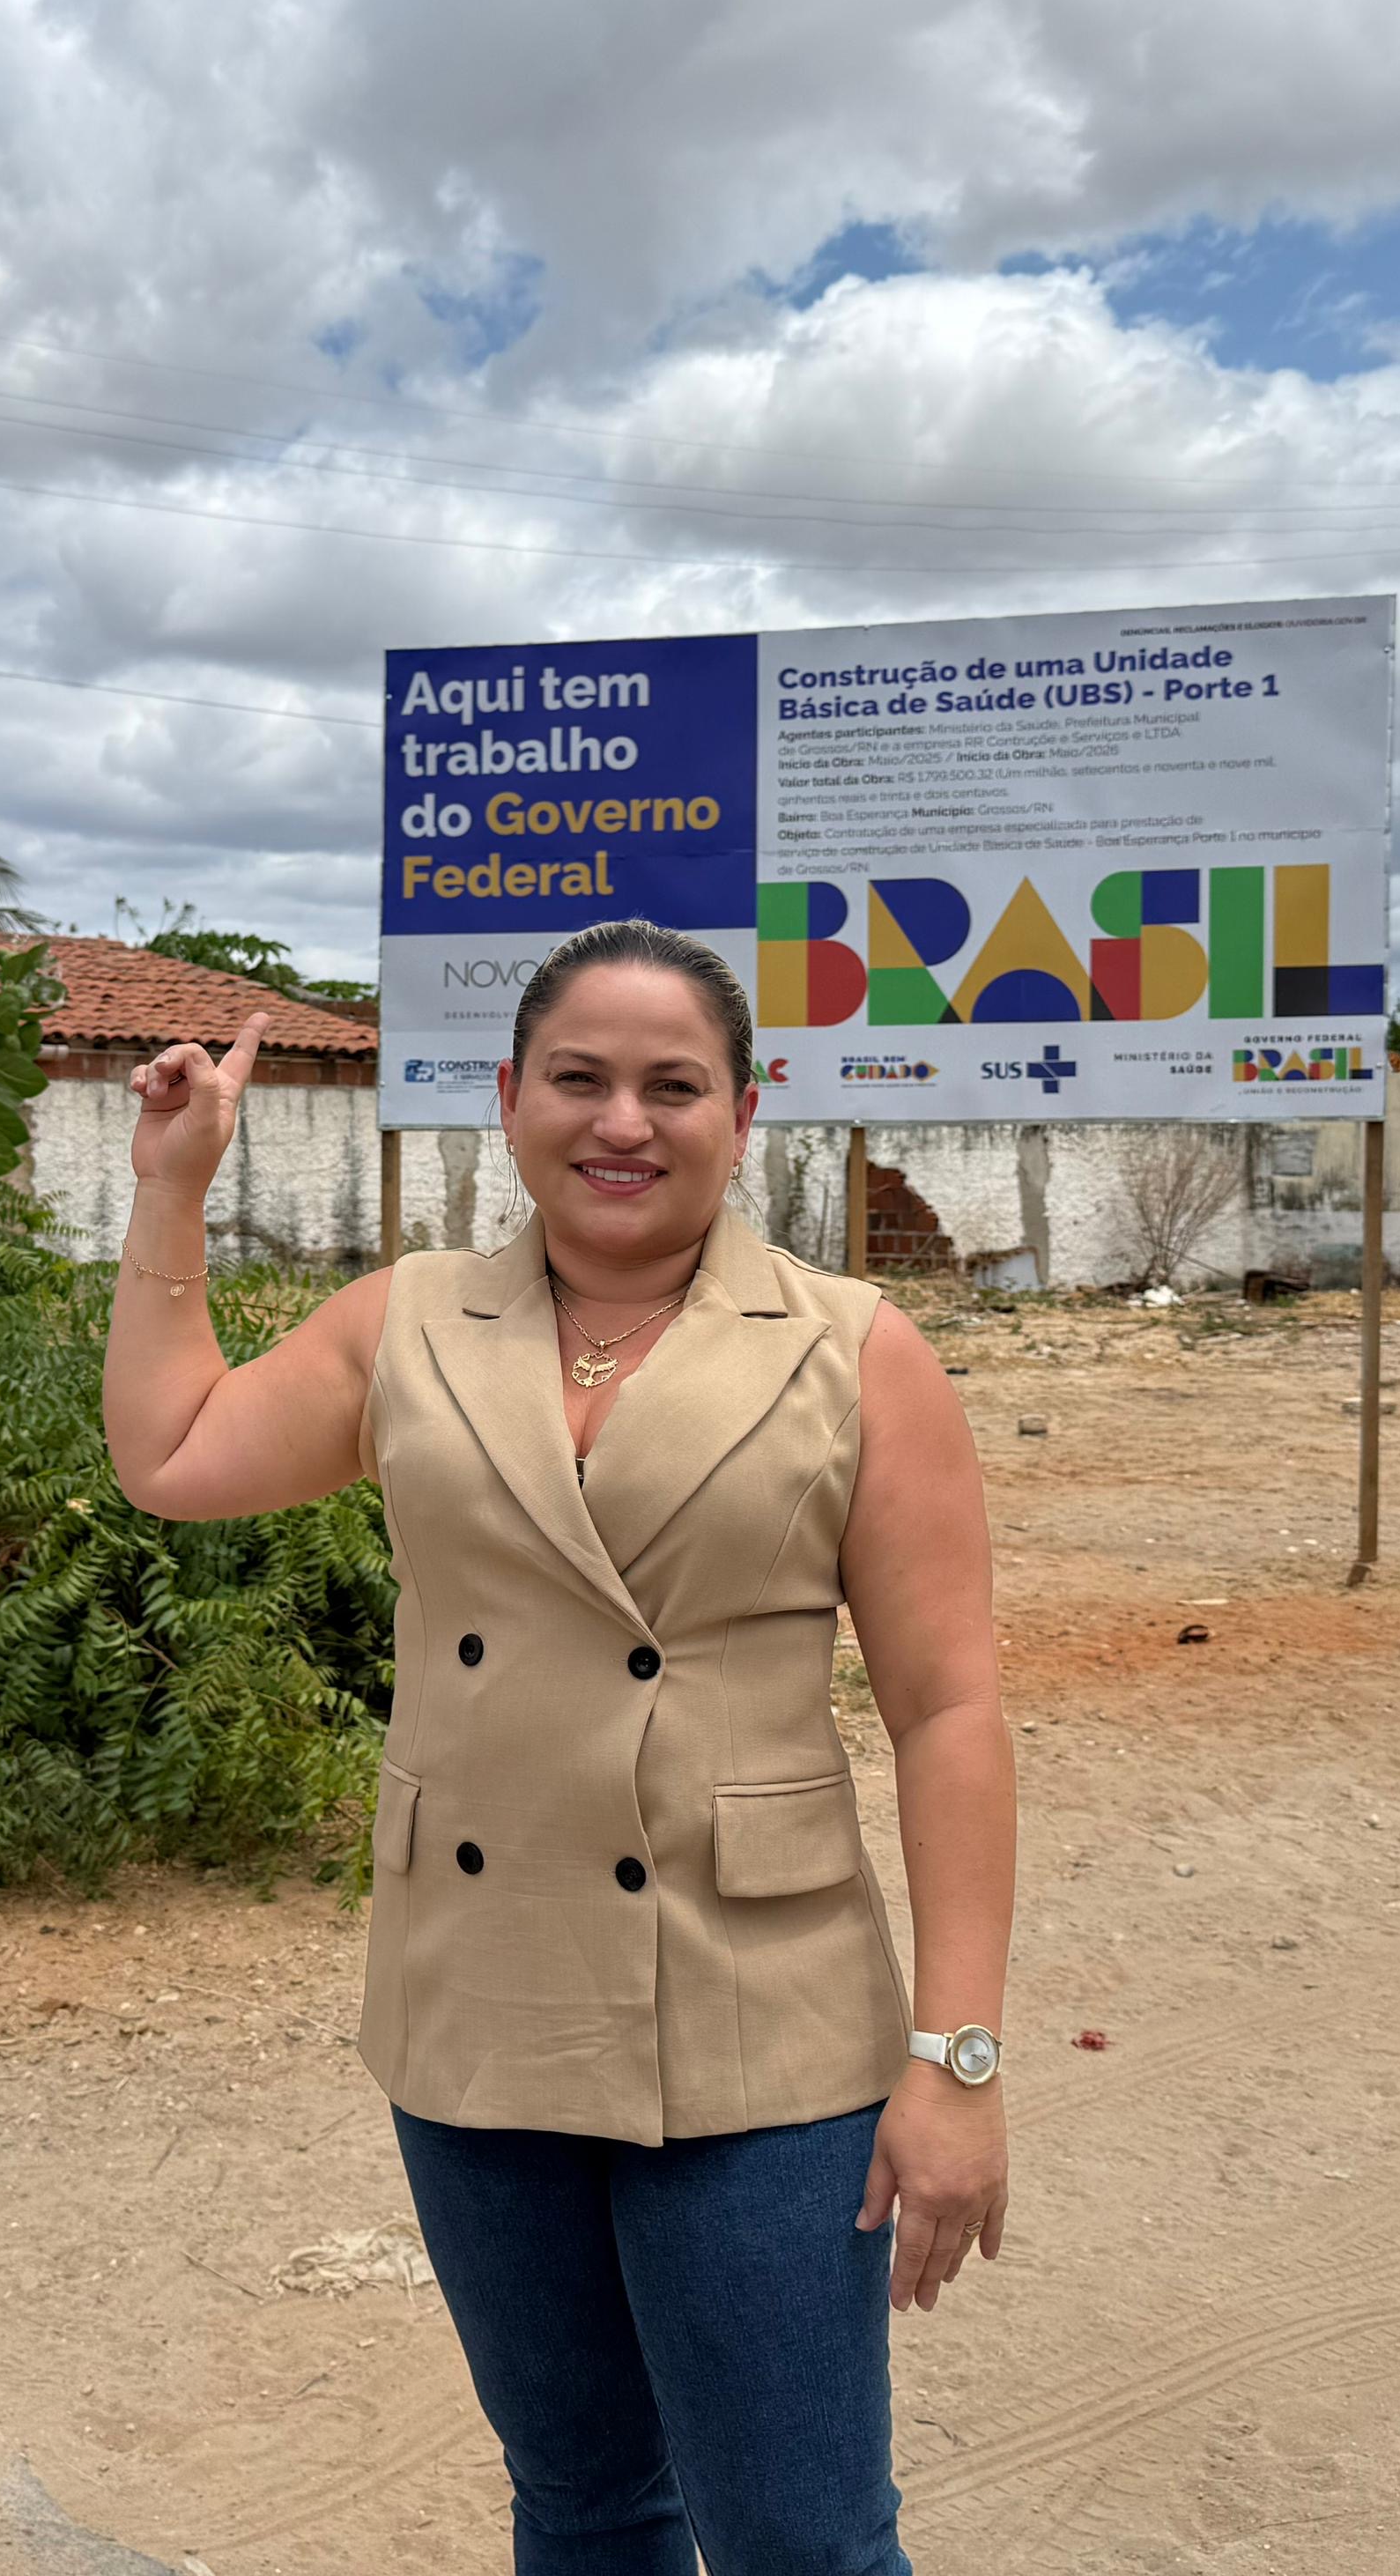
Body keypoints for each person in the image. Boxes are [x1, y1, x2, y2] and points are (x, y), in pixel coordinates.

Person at [103, 918, 1016, 2574]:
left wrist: (957, 2064)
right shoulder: (408, 1326)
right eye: (580, 1080)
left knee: (800, 2538)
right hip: (479, 2000)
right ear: (509, 1096)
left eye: (675, 1085)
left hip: (763, 2023)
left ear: (746, 1111)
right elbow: (171, 1453)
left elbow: (948, 1712)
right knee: (585, 2506)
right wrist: (174, 1188)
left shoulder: (851, 1350)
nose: (623, 1122)